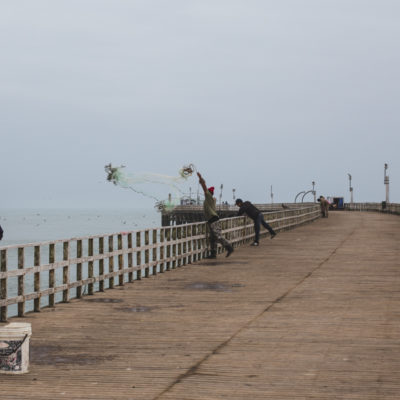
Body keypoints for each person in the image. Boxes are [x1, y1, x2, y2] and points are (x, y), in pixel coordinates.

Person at [197, 172, 234, 259]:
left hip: (213, 220)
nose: (205, 193)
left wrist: (200, 178)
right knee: (212, 239)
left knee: (218, 236)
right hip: (211, 220)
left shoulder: (209, 196)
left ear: (209, 193)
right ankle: (213, 254)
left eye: (206, 192)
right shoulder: (211, 199)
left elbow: (204, 186)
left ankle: (229, 247)